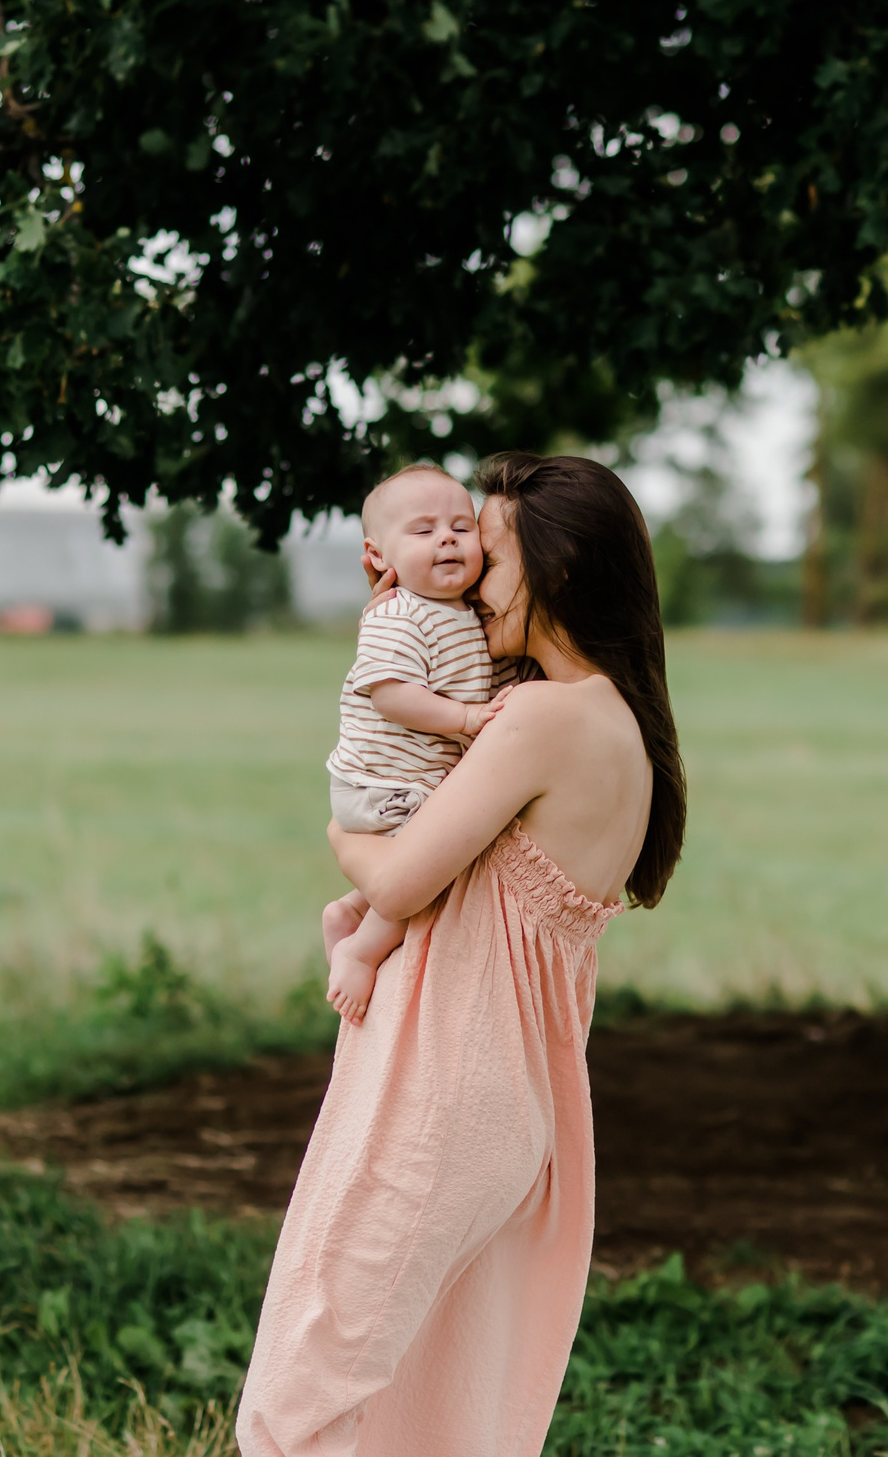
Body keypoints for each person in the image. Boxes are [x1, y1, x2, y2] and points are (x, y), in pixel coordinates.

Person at [236, 452, 688, 1457]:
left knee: (305, 1385)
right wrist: (407, 616)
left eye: (484, 556)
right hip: (507, 1099)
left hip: (440, 1084)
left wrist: (339, 835)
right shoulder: (617, 725)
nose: (466, 575)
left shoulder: (536, 719)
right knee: (425, 1405)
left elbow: (395, 879)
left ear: (554, 571)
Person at [321, 462, 507, 1024]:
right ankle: (361, 950)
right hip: (382, 782)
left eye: (461, 526)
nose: (446, 538)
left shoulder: (464, 614)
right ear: (378, 556)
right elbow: (392, 696)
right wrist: (468, 718)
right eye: (423, 531)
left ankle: (351, 911)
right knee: (430, 863)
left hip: (410, 780)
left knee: (434, 858)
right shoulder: (397, 614)